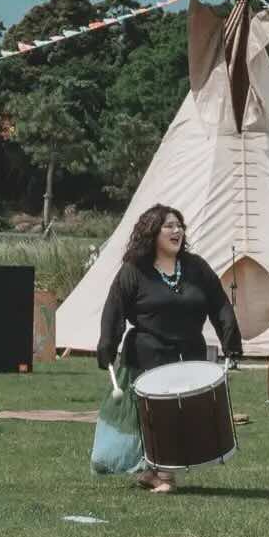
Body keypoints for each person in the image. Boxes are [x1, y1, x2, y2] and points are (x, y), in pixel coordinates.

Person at [93, 204, 243, 493]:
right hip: (148, 355)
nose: (177, 231)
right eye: (169, 226)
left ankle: (154, 473)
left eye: (179, 226)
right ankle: (164, 476)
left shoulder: (196, 268)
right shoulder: (134, 270)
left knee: (182, 416)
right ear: (152, 233)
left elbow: (220, 304)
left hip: (189, 353)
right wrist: (107, 345)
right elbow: (115, 309)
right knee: (156, 416)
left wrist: (231, 341)